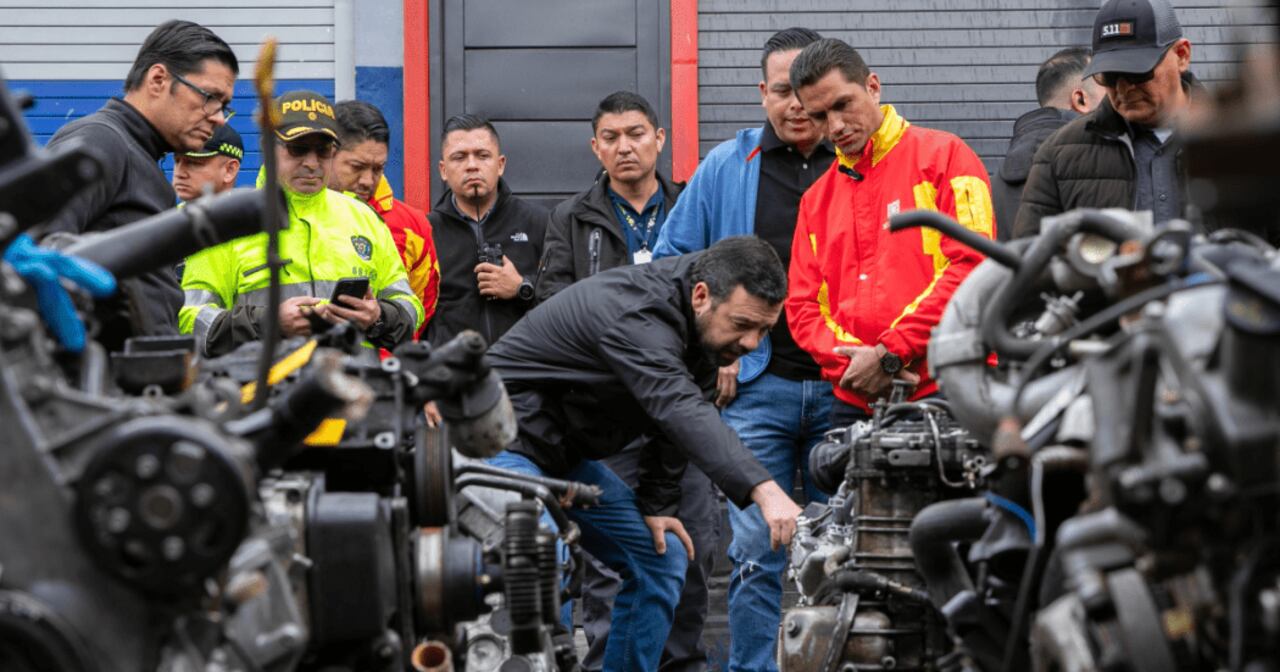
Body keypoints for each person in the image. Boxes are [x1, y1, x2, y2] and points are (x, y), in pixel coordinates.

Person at [485, 236, 804, 672]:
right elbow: (675, 405)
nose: (751, 343)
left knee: (663, 558)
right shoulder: (635, 313)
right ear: (701, 295)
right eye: (743, 323)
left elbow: (675, 425)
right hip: (497, 442)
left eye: (764, 330)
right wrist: (765, 491)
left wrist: (657, 504)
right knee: (540, 553)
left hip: (560, 456)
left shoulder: (701, 331)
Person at [652, 27, 833, 672]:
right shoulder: (729, 167)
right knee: (758, 550)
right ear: (762, 93)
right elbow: (674, 265)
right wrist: (716, 355)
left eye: (806, 93)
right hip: (757, 388)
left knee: (845, 550)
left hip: (844, 388)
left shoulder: (856, 164)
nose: (796, 106)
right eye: (782, 91)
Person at [533, 90, 704, 672]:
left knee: (690, 549)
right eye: (611, 137)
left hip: (679, 411)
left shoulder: (691, 204)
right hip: (610, 415)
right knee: (614, 566)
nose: (624, 146)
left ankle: (680, 663)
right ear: (595, 147)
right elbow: (556, 303)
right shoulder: (573, 216)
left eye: (636, 133)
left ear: (660, 139)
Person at [786, 38, 993, 428]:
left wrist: (889, 355)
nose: (835, 127)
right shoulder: (815, 201)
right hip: (856, 397)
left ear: (873, 86)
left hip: (947, 385)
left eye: (843, 105)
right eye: (818, 116)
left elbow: (975, 267)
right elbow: (802, 308)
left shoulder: (946, 157)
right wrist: (862, 366)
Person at [35, 20, 237, 347]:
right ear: (158, 79)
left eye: (224, 106)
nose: (217, 117)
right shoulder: (100, 142)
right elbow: (33, 258)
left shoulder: (140, 156)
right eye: (209, 97)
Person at [179, 90, 423, 358]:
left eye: (323, 151)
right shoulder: (225, 222)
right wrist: (268, 323)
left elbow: (409, 307)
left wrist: (378, 316)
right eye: (298, 149)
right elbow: (190, 321)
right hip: (262, 390)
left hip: (354, 387)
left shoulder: (363, 217)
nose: (311, 163)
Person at [1015, 0, 1198, 238]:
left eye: (1137, 72)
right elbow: (1030, 259)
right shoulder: (1059, 155)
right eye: (1109, 76)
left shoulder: (1239, 141)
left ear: (1181, 56)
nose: (1123, 89)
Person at [426, 115, 545, 347]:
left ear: (500, 164)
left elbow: (564, 294)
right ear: (443, 170)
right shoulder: (425, 232)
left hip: (526, 370)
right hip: (453, 374)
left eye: (482, 155)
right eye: (459, 157)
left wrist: (522, 287)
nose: (472, 165)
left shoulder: (540, 223)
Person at [330, 100, 439, 333]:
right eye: (357, 166)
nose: (368, 180)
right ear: (327, 155)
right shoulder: (289, 215)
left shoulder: (413, 226)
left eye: (378, 168)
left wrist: (382, 321)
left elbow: (421, 307)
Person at [992, 47, 1102, 239]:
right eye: (1111, 88)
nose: (1122, 98)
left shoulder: (995, 183)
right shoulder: (1101, 166)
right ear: (1081, 99)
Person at [173, 123, 243, 202]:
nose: (179, 174)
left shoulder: (250, 214)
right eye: (177, 161)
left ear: (230, 170)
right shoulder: (169, 213)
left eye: (194, 163)